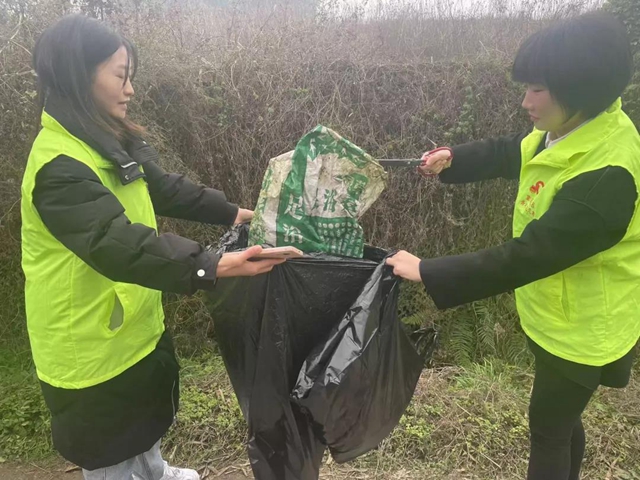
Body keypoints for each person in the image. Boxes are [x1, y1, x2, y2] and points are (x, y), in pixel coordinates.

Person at [21, 14, 285, 480]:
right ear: (80, 75)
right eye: (121, 77)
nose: (130, 90)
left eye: (131, 78)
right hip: (88, 342)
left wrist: (232, 213)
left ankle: (155, 471)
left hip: (127, 320)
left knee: (142, 417)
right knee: (110, 445)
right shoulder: (59, 166)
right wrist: (212, 266)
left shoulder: (105, 142)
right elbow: (116, 244)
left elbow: (162, 188)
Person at [386, 12, 639, 480]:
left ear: (580, 87)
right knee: (562, 422)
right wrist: (453, 159)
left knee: (548, 428)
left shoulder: (608, 179)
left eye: (537, 89)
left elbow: (530, 255)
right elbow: (515, 152)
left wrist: (430, 270)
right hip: (557, 314)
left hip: (583, 329)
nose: (525, 101)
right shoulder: (577, 126)